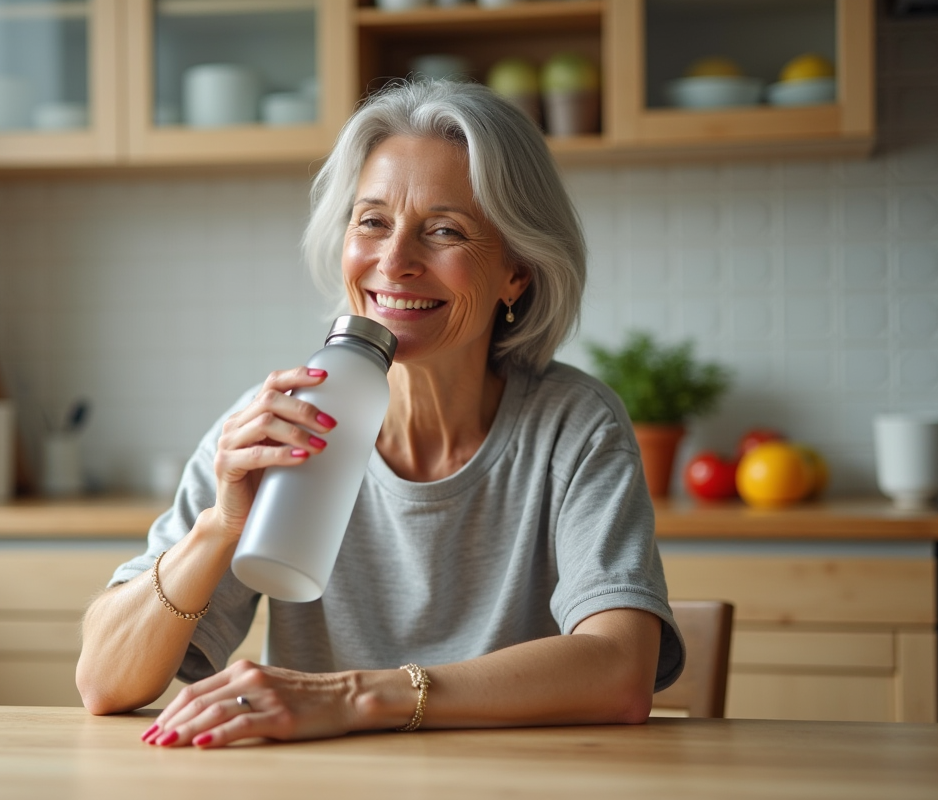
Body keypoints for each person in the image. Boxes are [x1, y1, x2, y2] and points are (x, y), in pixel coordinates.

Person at [76, 79, 683, 747]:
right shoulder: (277, 422)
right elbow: (105, 683)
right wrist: (220, 527)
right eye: (372, 222)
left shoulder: (574, 426)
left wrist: (358, 695)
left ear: (517, 272)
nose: (394, 262)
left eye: (444, 230)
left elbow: (622, 671)